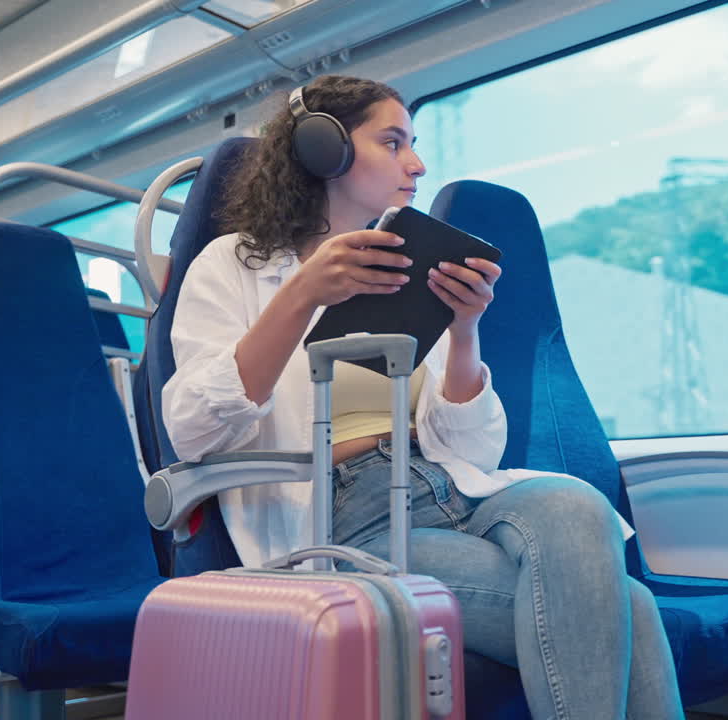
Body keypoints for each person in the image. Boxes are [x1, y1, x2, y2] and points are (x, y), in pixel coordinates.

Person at [162, 75, 684, 719]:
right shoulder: (233, 266)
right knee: (626, 602)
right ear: (326, 151)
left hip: (443, 485)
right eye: (393, 142)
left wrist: (464, 334)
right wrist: (303, 293)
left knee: (578, 503)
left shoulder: (407, 269)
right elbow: (191, 429)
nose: (418, 163)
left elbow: (471, 448)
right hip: (343, 515)